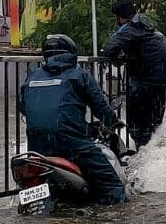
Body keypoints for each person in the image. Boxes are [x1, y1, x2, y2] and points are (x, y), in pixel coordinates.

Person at [18, 35, 127, 205]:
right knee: (112, 185)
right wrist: (113, 122)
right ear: (71, 53)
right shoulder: (79, 75)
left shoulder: (32, 77)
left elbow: (22, 107)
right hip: (71, 143)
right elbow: (100, 107)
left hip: (36, 147)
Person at [101, 0, 166, 148]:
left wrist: (119, 59)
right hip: (163, 83)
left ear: (119, 17)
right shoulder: (148, 26)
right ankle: (153, 161)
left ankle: (141, 161)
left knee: (137, 128)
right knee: (154, 126)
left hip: (144, 83)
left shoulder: (130, 28)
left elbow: (109, 48)